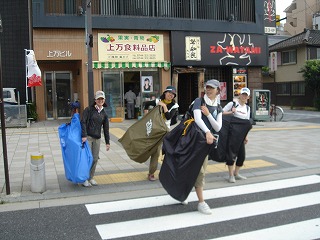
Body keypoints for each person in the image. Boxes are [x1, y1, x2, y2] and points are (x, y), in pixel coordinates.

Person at [190, 79, 223, 215]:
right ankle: (201, 202)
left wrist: (208, 115)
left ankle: (183, 192)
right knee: (200, 171)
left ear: (218, 91)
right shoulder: (199, 101)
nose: (208, 90)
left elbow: (218, 127)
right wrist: (208, 132)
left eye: (212, 88)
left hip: (206, 143)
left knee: (195, 169)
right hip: (195, 141)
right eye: (207, 87)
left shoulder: (219, 107)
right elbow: (197, 119)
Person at [143, 86, 179, 181]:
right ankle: (151, 173)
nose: (170, 95)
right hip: (156, 130)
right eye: (169, 93)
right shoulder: (157, 101)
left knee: (169, 150)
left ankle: (169, 172)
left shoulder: (175, 106)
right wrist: (146, 115)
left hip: (166, 130)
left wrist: (163, 106)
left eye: (173, 94)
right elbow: (146, 104)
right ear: (165, 93)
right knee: (156, 152)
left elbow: (168, 117)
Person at [80, 90, 110, 187]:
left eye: (102, 99)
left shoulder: (104, 114)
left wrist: (107, 142)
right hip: (88, 137)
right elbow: (83, 122)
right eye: (98, 99)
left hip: (97, 138)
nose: (100, 100)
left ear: (104, 100)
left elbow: (106, 129)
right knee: (87, 158)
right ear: (95, 100)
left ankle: (90, 177)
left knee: (95, 158)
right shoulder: (88, 110)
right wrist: (84, 135)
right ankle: (84, 178)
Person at [222, 87, 251, 183]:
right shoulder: (233, 104)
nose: (244, 96)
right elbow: (221, 112)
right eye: (243, 94)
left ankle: (236, 173)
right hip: (232, 134)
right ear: (240, 94)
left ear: (248, 97)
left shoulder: (247, 108)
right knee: (231, 154)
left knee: (242, 156)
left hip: (241, 135)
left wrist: (246, 136)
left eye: (246, 95)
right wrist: (231, 112)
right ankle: (231, 175)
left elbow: (246, 123)